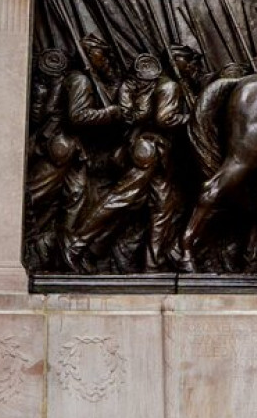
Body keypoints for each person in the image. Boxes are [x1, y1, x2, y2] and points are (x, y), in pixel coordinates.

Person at [64, 53, 190, 272]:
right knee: (121, 198)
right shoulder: (168, 87)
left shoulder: (131, 86)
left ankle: (152, 265)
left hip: (153, 154)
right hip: (149, 151)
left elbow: (130, 115)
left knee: (162, 206)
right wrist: (193, 117)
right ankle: (76, 245)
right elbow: (164, 118)